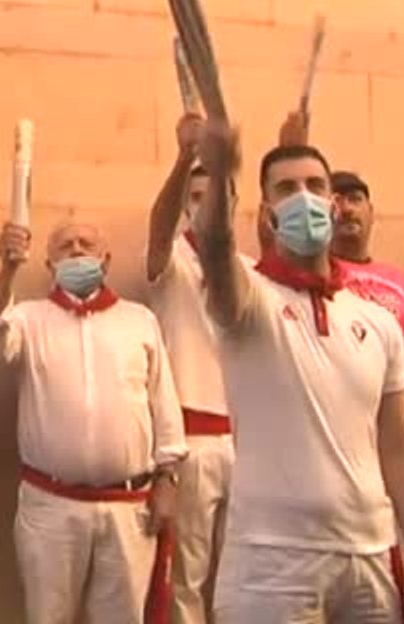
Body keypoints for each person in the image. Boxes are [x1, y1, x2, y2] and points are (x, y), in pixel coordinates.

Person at [193, 119, 404, 624]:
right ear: (266, 214)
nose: (303, 198)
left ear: (332, 203)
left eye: (315, 186)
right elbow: (214, 248)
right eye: (286, 189)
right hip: (271, 562)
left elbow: (397, 448)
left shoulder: (377, 320)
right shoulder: (247, 301)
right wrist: (220, 176)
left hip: (370, 554)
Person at [0, 219, 186, 624]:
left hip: (128, 507)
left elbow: (164, 401)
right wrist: (7, 269)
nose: (76, 250)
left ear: (105, 260)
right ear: (50, 265)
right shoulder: (28, 320)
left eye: (86, 244)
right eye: (65, 245)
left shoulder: (138, 320)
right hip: (51, 508)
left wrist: (168, 477)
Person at [144, 113, 255, 624]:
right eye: (196, 197)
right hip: (189, 440)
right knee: (185, 578)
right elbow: (159, 225)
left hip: (252, 442)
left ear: (233, 205)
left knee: (247, 575)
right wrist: (185, 157)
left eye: (215, 196)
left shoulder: (254, 273)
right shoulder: (170, 266)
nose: (204, 206)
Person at [330, 171, 404, 456]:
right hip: (335, 434)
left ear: (371, 212)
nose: (347, 209)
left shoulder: (402, 284)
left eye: (355, 199)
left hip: (394, 436)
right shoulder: (313, 276)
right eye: (337, 200)